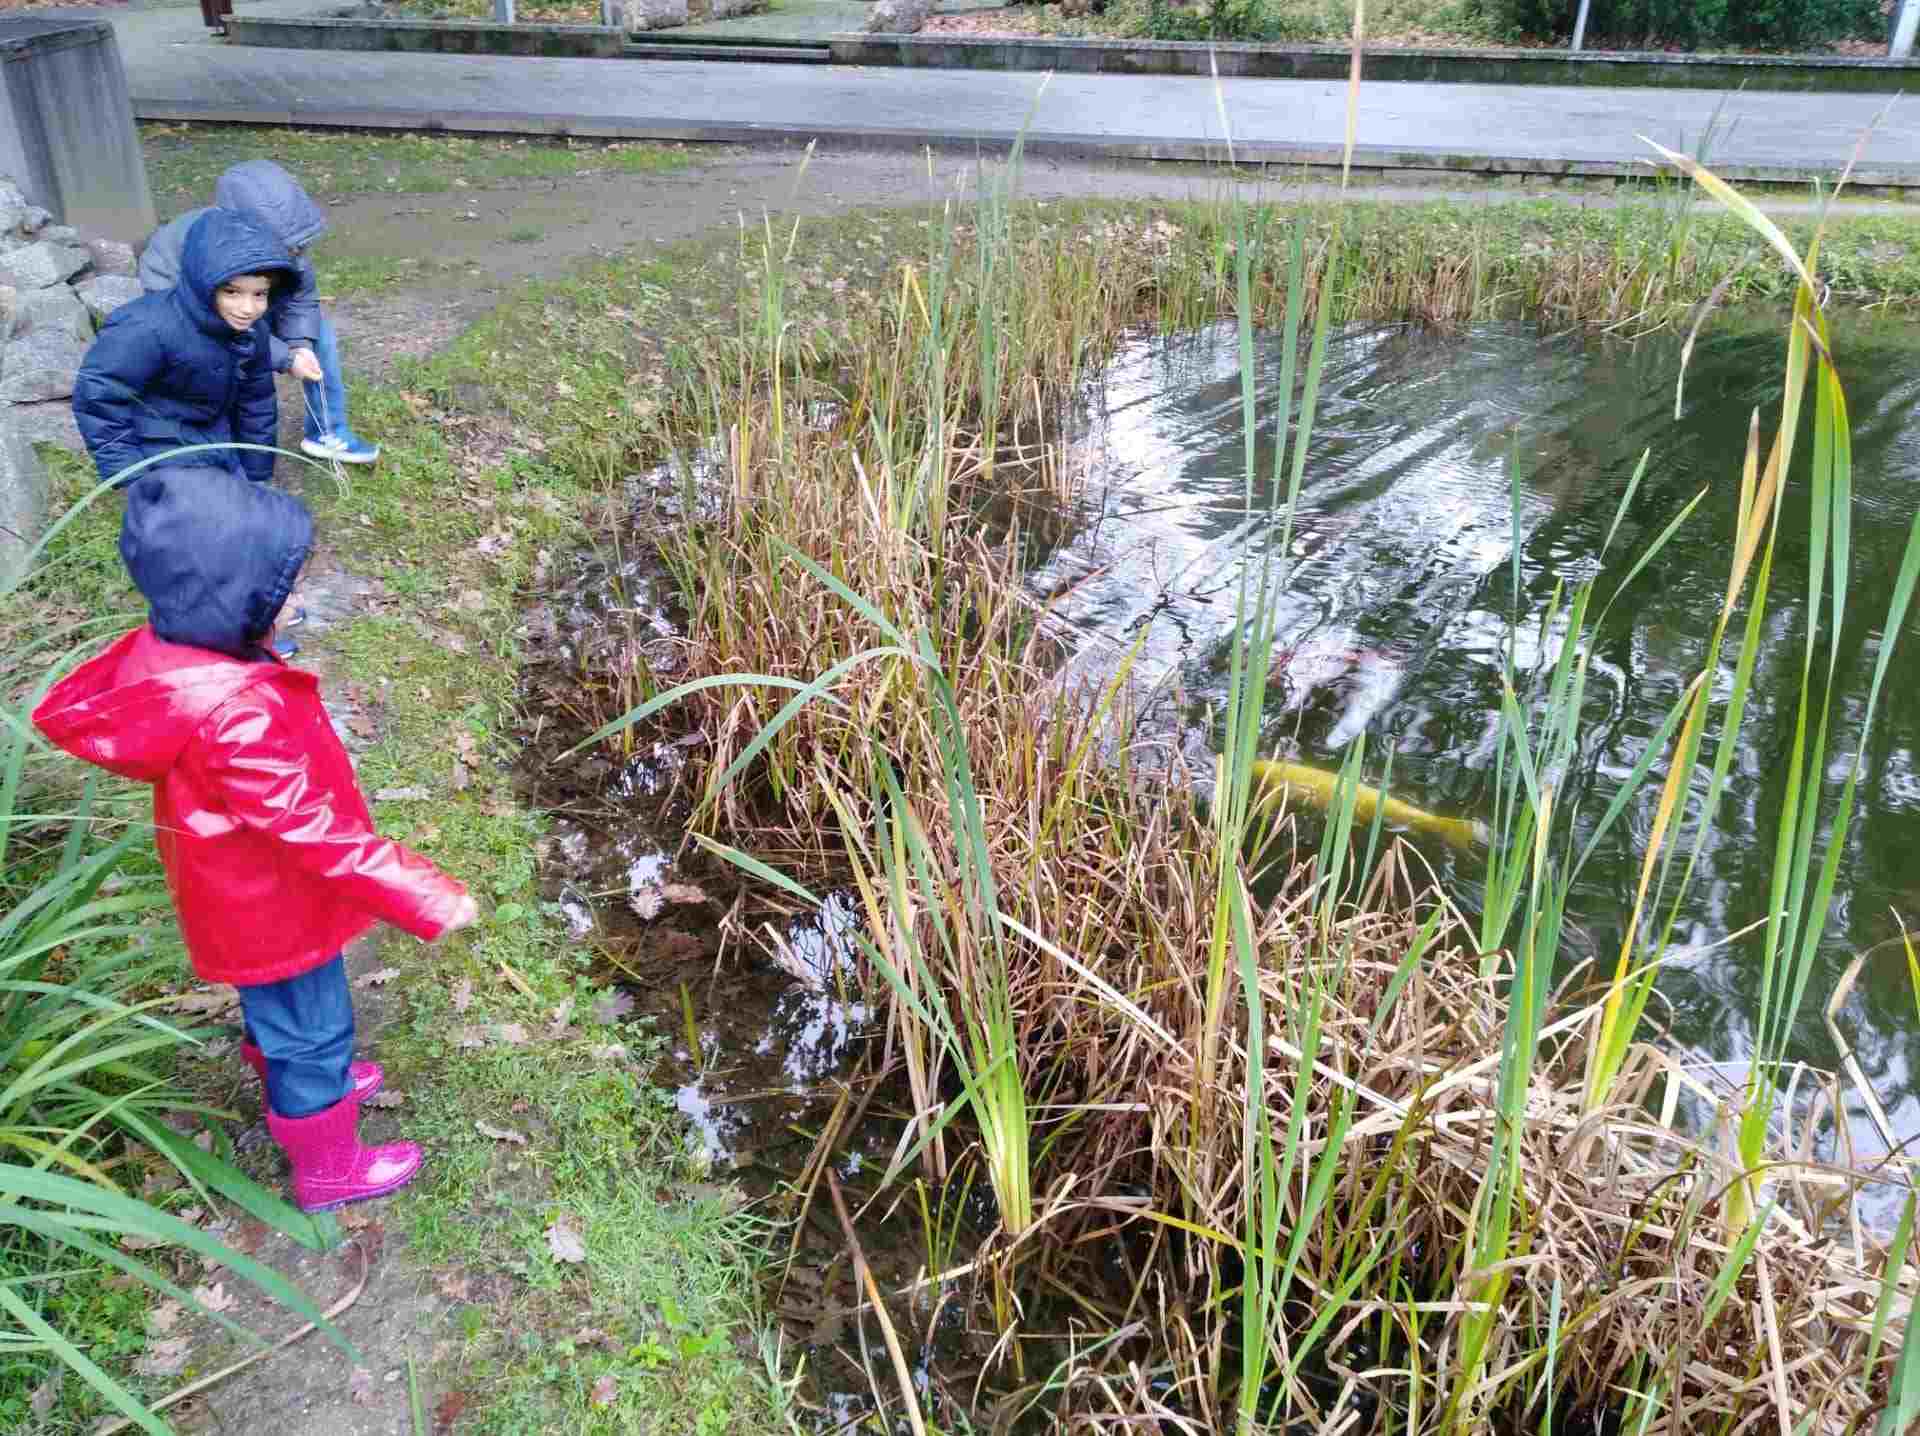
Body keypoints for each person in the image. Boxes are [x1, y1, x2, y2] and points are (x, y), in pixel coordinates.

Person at [32, 468, 477, 1213]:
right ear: (230, 601)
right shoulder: (232, 715)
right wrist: (423, 893)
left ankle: (306, 1084)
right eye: (279, 593)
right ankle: (328, 1162)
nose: (291, 604)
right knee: (312, 1026)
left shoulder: (181, 657)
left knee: (285, 1015)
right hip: (272, 905)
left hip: (237, 891)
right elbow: (312, 831)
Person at [138, 159, 380, 465]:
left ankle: (328, 431)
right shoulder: (203, 252)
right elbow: (221, 324)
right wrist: (285, 358)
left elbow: (301, 298)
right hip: (190, 309)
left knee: (320, 333)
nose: (294, 255)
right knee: (220, 362)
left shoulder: (291, 243)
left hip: (251, 292)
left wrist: (301, 345)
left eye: (296, 249)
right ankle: (213, 448)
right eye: (288, 250)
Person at [73, 208, 292, 491]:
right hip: (157, 446)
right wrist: (132, 477)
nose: (248, 308)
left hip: (216, 438)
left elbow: (257, 401)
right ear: (204, 283)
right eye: (232, 292)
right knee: (192, 525)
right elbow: (98, 397)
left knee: (248, 517)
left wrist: (257, 471)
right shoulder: (146, 328)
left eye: (259, 294)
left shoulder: (252, 331)